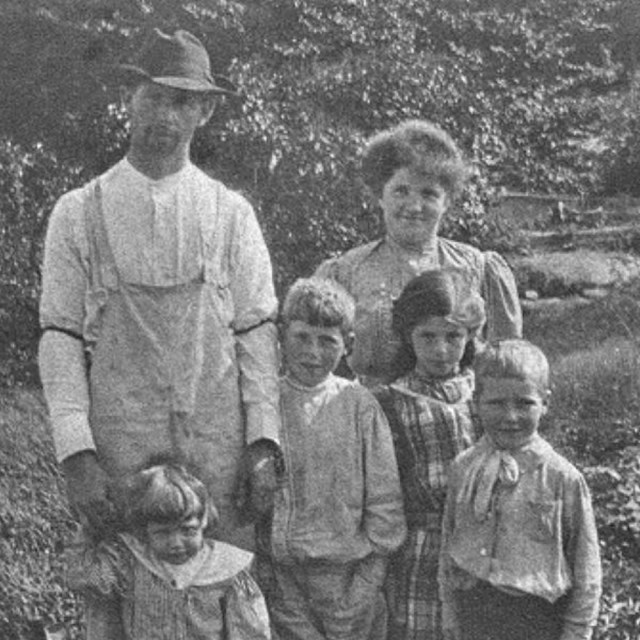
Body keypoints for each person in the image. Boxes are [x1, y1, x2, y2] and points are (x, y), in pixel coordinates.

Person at [38, 28, 280, 638]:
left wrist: (263, 441)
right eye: (153, 96)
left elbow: (256, 332)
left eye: (183, 101)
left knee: (222, 599)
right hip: (120, 440)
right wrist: (78, 455)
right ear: (128, 96)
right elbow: (59, 336)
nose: (165, 116)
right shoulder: (79, 212)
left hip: (217, 440)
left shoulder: (231, 212)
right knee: (118, 595)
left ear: (205, 110)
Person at [315, 119, 522, 386]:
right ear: (380, 195)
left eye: (428, 194)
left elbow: (508, 366)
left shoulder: (477, 267)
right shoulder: (345, 271)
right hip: (370, 414)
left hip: (458, 417)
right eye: (401, 191)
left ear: (446, 201)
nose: (414, 206)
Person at [256, 277, 407, 640]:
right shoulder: (264, 402)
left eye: (327, 341)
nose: (313, 352)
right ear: (282, 336)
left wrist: (369, 579)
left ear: (348, 345)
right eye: (302, 337)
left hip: (347, 577)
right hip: (282, 577)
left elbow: (384, 497)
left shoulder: (359, 405)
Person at [439, 340, 602, 640]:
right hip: (475, 614)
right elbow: (448, 547)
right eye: (496, 403)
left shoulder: (562, 479)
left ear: (545, 403)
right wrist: (450, 617)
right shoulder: (464, 468)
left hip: (537, 620)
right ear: (476, 403)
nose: (510, 416)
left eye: (524, 403)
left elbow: (586, 569)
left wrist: (577, 632)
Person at [373, 270, 485, 640]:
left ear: (470, 335)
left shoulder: (485, 391)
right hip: (422, 550)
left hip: (484, 543)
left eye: (453, 336)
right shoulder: (391, 400)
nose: (441, 350)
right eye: (428, 337)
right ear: (408, 335)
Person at [67, 460, 271, 639]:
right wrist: (90, 532)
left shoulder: (225, 569)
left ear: (203, 522)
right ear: (145, 531)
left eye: (188, 530)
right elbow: (85, 580)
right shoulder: (132, 562)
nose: (176, 543)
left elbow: (248, 633)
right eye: (162, 533)